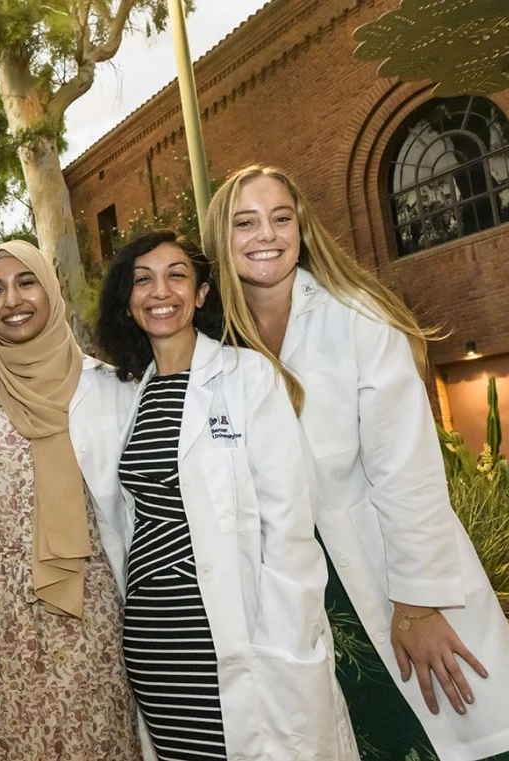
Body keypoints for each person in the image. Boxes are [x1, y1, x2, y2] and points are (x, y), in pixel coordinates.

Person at [204, 165, 509, 761]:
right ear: (222, 237)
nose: (265, 233)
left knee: (447, 731)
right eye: (245, 222)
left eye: (281, 217)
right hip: (301, 601)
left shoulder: (357, 316)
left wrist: (418, 603)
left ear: (302, 229)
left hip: (387, 578)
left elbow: (409, 473)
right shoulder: (217, 345)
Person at [96, 230, 357, 761]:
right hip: (154, 636)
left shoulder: (247, 376)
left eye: (176, 276)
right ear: (127, 301)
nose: (159, 291)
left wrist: (286, 635)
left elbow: (289, 520)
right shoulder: (130, 393)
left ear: (202, 294)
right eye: (142, 279)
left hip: (237, 630)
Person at [0, 240, 141, 761]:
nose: (13, 300)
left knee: (103, 743)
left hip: (92, 615)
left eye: (26, 283)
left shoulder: (112, 389)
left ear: (50, 289)